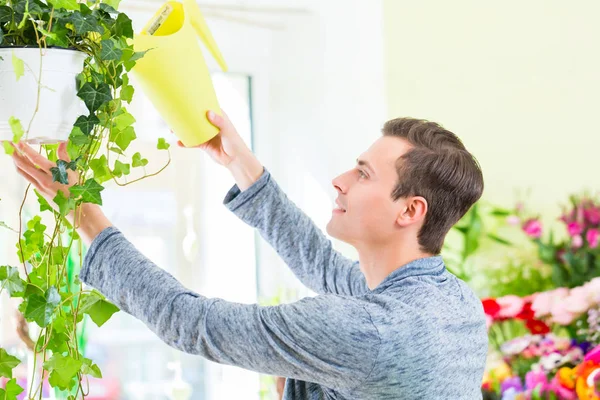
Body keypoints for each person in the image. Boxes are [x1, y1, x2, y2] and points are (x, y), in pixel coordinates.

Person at [11, 110, 488, 399]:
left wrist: (82, 211)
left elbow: (189, 321)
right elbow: (320, 265)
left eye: (363, 174)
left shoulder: (369, 331)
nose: (340, 180)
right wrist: (238, 161)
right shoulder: (453, 304)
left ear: (410, 210)